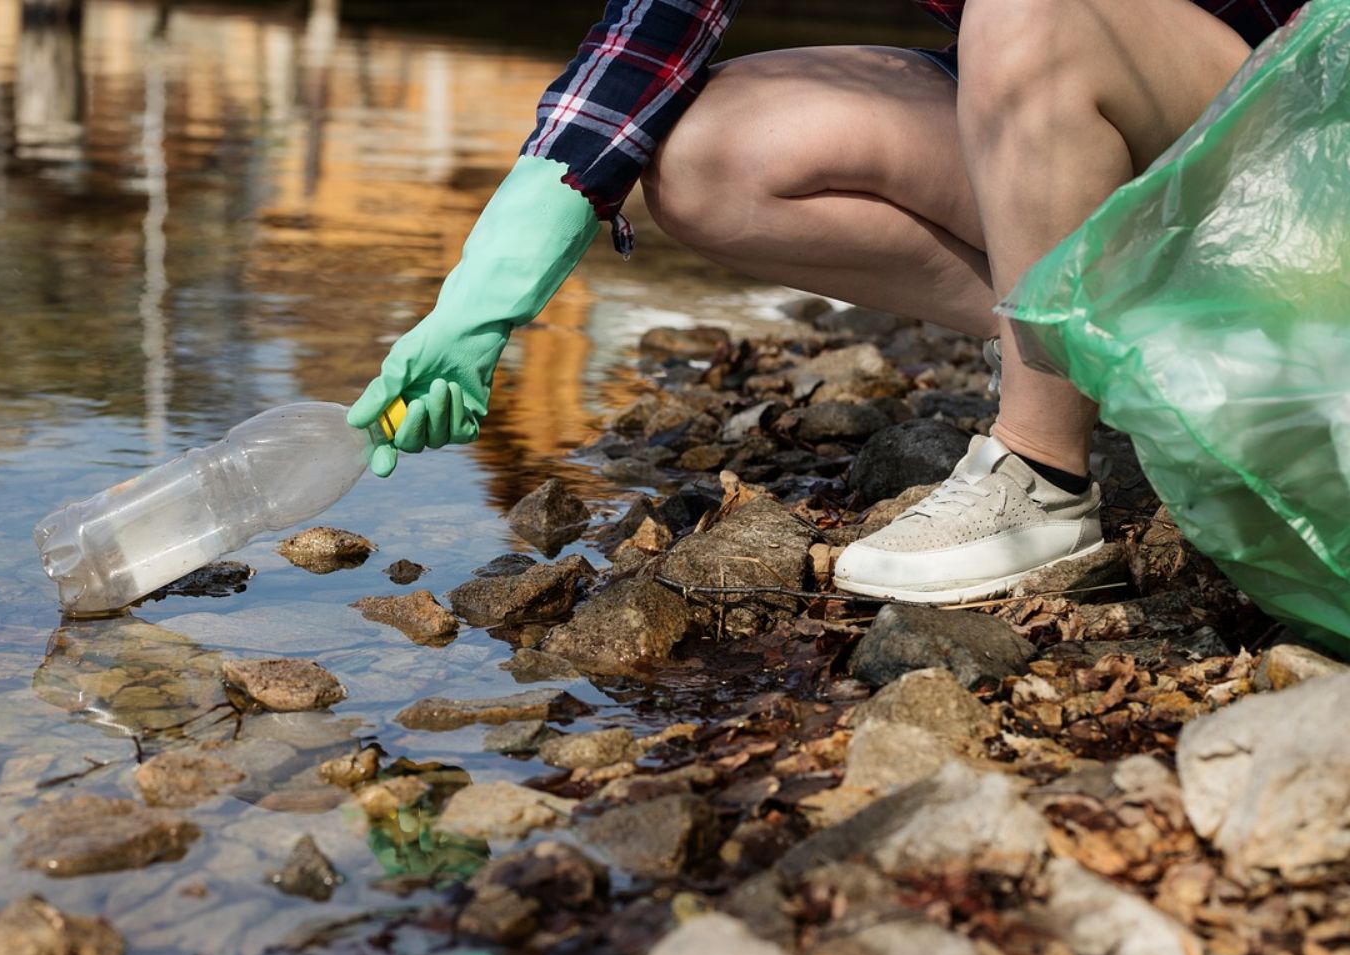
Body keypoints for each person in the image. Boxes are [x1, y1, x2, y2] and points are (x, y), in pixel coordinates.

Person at [345, 0, 1305, 604]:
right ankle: (1120, 354)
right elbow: (658, 24)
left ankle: (1042, 470)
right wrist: (486, 290)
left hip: (1300, 154)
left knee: (1024, 11)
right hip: (1134, 137)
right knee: (709, 155)